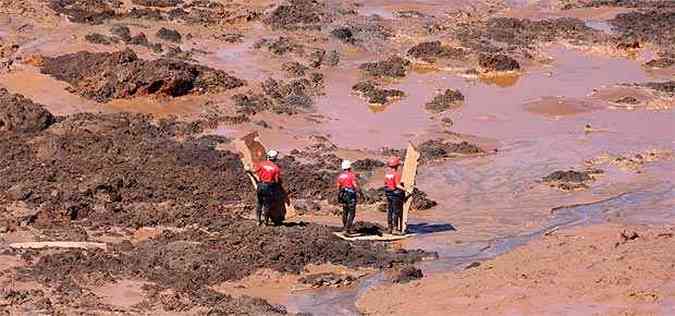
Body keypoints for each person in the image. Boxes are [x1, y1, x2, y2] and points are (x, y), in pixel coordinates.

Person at [252, 150, 282, 226]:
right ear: (275, 158)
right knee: (267, 205)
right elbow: (277, 181)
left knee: (259, 203)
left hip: (260, 185)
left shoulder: (261, 164)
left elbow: (255, 172)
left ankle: (258, 221)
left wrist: (248, 170)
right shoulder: (276, 168)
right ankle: (266, 222)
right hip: (269, 187)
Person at [336, 160, 360, 235]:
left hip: (343, 195)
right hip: (351, 195)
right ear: (350, 167)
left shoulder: (340, 176)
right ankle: (347, 229)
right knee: (352, 213)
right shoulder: (351, 175)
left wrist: (340, 196)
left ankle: (345, 228)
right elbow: (355, 185)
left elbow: (338, 187)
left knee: (345, 211)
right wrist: (360, 193)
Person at [384, 156, 406, 235]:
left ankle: (389, 228)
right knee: (396, 211)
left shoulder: (387, 174)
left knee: (390, 211)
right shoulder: (396, 174)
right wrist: (406, 190)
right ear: (397, 166)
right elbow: (397, 185)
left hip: (388, 194)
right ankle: (395, 229)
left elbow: (386, 184)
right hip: (395, 195)